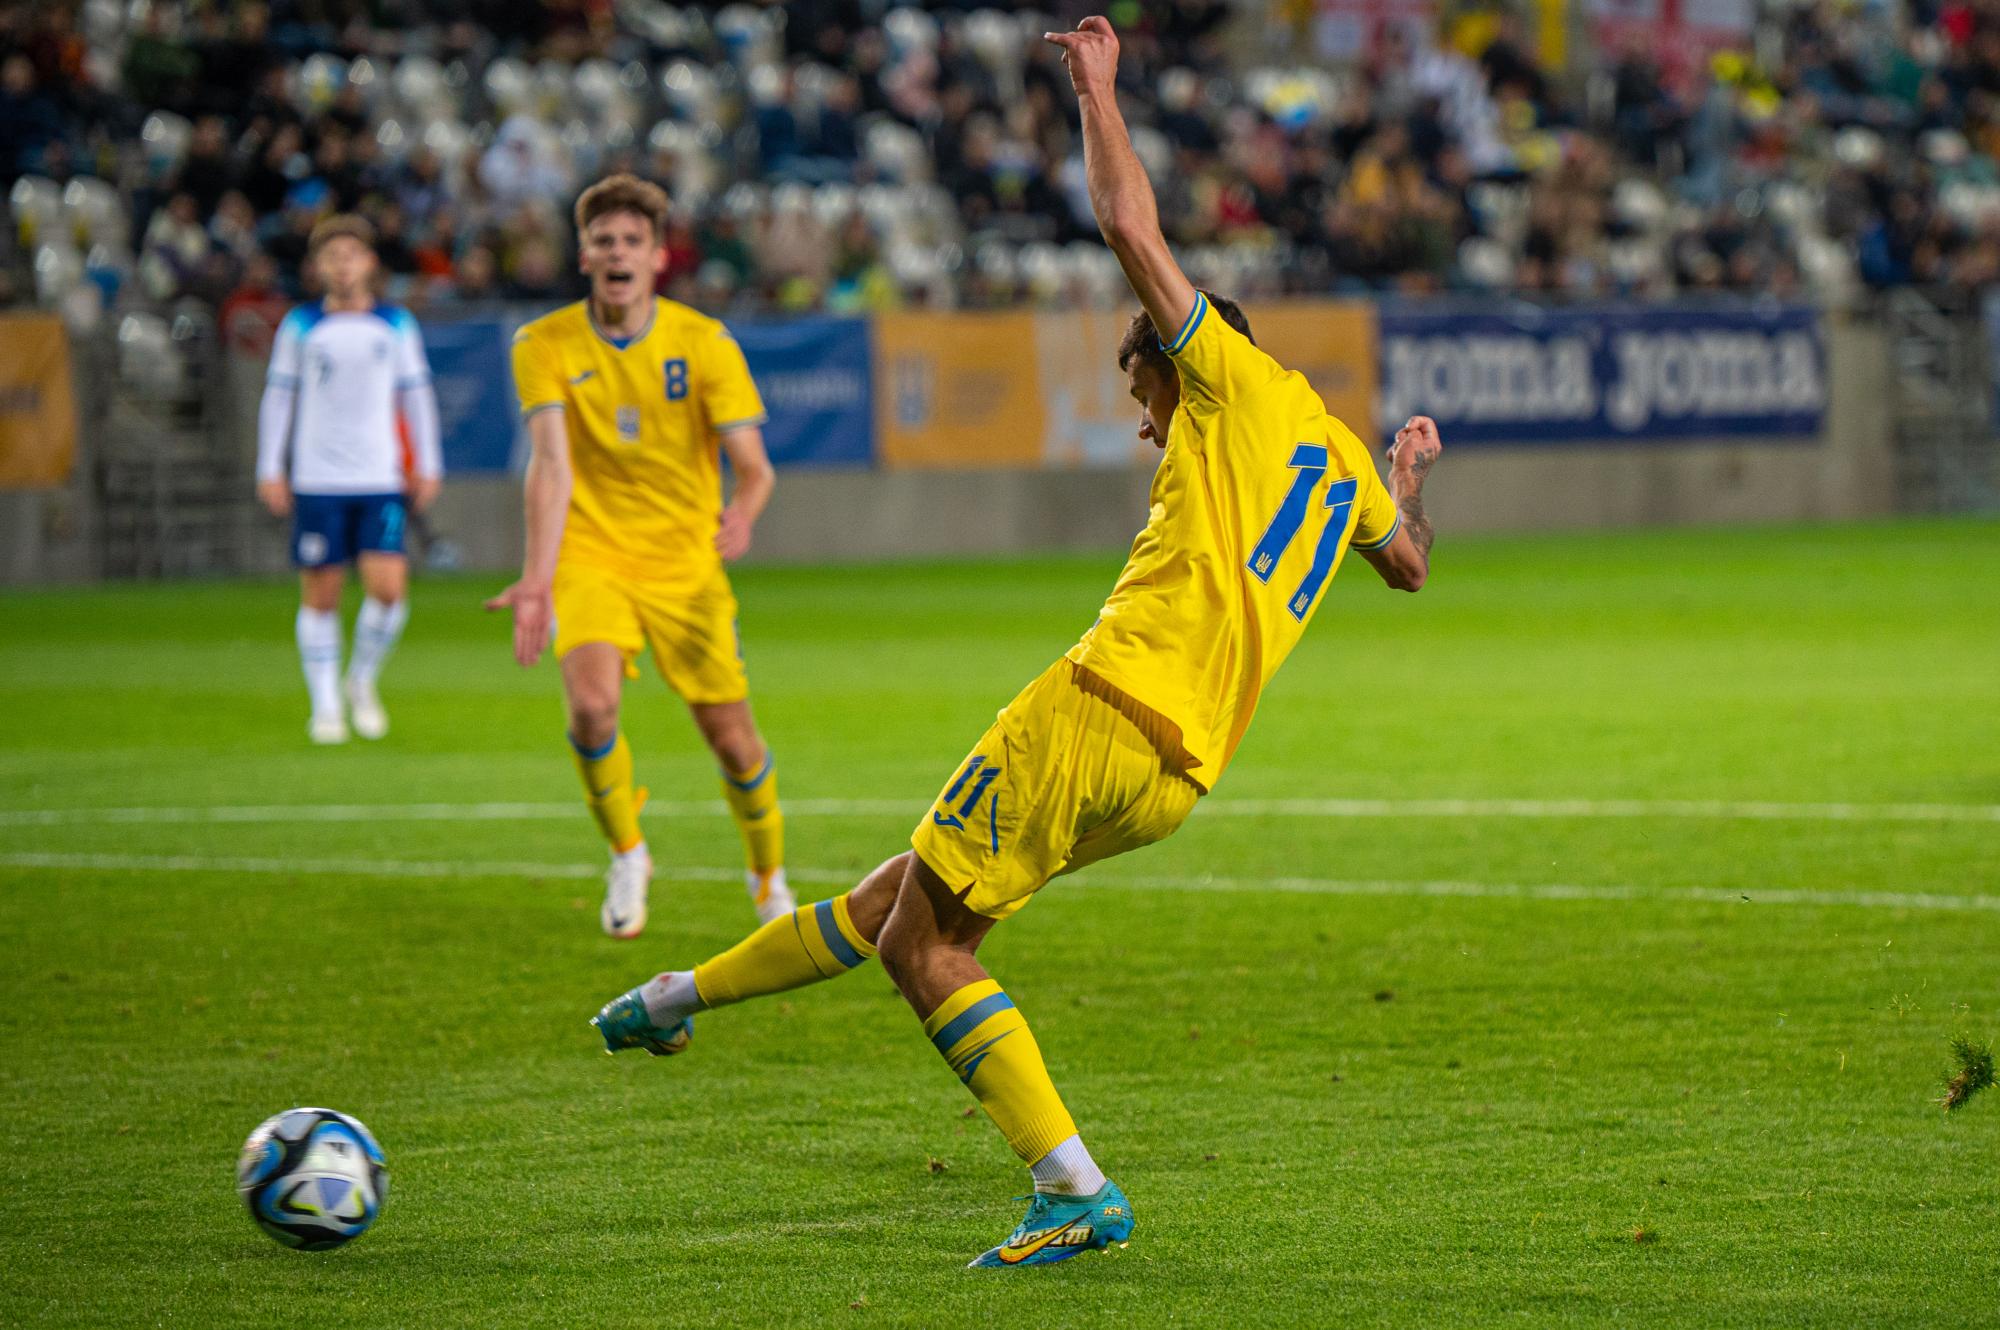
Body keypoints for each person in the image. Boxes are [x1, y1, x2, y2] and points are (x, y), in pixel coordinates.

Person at [588, 16, 1446, 1269]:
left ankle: (1072, 1186)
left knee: (921, 946)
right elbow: (1406, 562)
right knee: (902, 898)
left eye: (1145, 395)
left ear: (1181, 362)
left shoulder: (1228, 379)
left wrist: (1097, 92)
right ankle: (669, 1001)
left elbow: (1131, 227)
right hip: (1178, 772)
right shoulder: (1330, 454)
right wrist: (1404, 472)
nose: (1148, 426)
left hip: (1099, 705)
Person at [486, 174, 792, 939]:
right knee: (591, 708)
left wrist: (743, 515)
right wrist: (536, 579)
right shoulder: (543, 343)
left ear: (657, 257)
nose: (617, 252)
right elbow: (550, 466)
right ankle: (627, 852)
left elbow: (755, 468)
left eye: (632, 241)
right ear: (584, 256)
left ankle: (767, 876)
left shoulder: (703, 342)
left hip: (685, 563)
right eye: (604, 241)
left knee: (733, 739)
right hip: (592, 553)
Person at [256, 214, 442, 745]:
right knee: (322, 592)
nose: (342, 265)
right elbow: (279, 396)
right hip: (317, 477)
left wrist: (428, 464)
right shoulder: (300, 326)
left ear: (369, 263)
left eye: (351, 255)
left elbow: (417, 396)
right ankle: (325, 705)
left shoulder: (395, 324)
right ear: (317, 266)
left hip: (379, 474)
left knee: (389, 591)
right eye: (332, 256)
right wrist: (270, 467)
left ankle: (360, 679)